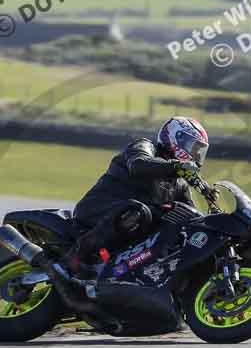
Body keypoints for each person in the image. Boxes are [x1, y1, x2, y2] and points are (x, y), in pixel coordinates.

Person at [64, 117, 212, 277]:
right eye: (193, 147)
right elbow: (138, 164)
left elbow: (191, 217)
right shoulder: (144, 146)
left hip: (128, 233)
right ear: (176, 138)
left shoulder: (179, 183)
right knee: (138, 210)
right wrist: (176, 166)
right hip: (97, 210)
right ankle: (76, 256)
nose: (195, 154)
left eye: (199, 151)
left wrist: (213, 224)